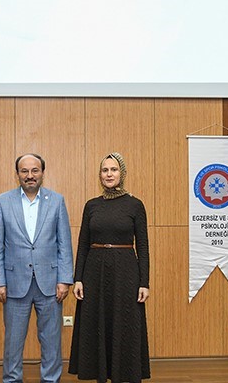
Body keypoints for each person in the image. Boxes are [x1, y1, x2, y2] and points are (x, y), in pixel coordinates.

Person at [0, 153, 74, 383]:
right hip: (14, 284)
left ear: (42, 173)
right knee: (13, 341)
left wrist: (64, 279)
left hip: (51, 284)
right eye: (24, 171)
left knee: (51, 340)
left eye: (35, 170)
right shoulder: (2, 202)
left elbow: (64, 244)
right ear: (17, 174)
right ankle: (12, 379)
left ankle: (50, 379)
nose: (30, 175)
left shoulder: (56, 201)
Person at [69, 152, 151, 383]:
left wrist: (144, 282)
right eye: (105, 170)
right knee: (97, 323)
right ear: (100, 174)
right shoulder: (91, 205)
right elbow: (83, 244)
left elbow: (143, 247)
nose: (109, 174)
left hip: (126, 273)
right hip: (94, 273)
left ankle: (122, 374)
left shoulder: (135, 205)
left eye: (113, 170)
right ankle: (99, 373)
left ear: (122, 173)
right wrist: (78, 278)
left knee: (124, 323)